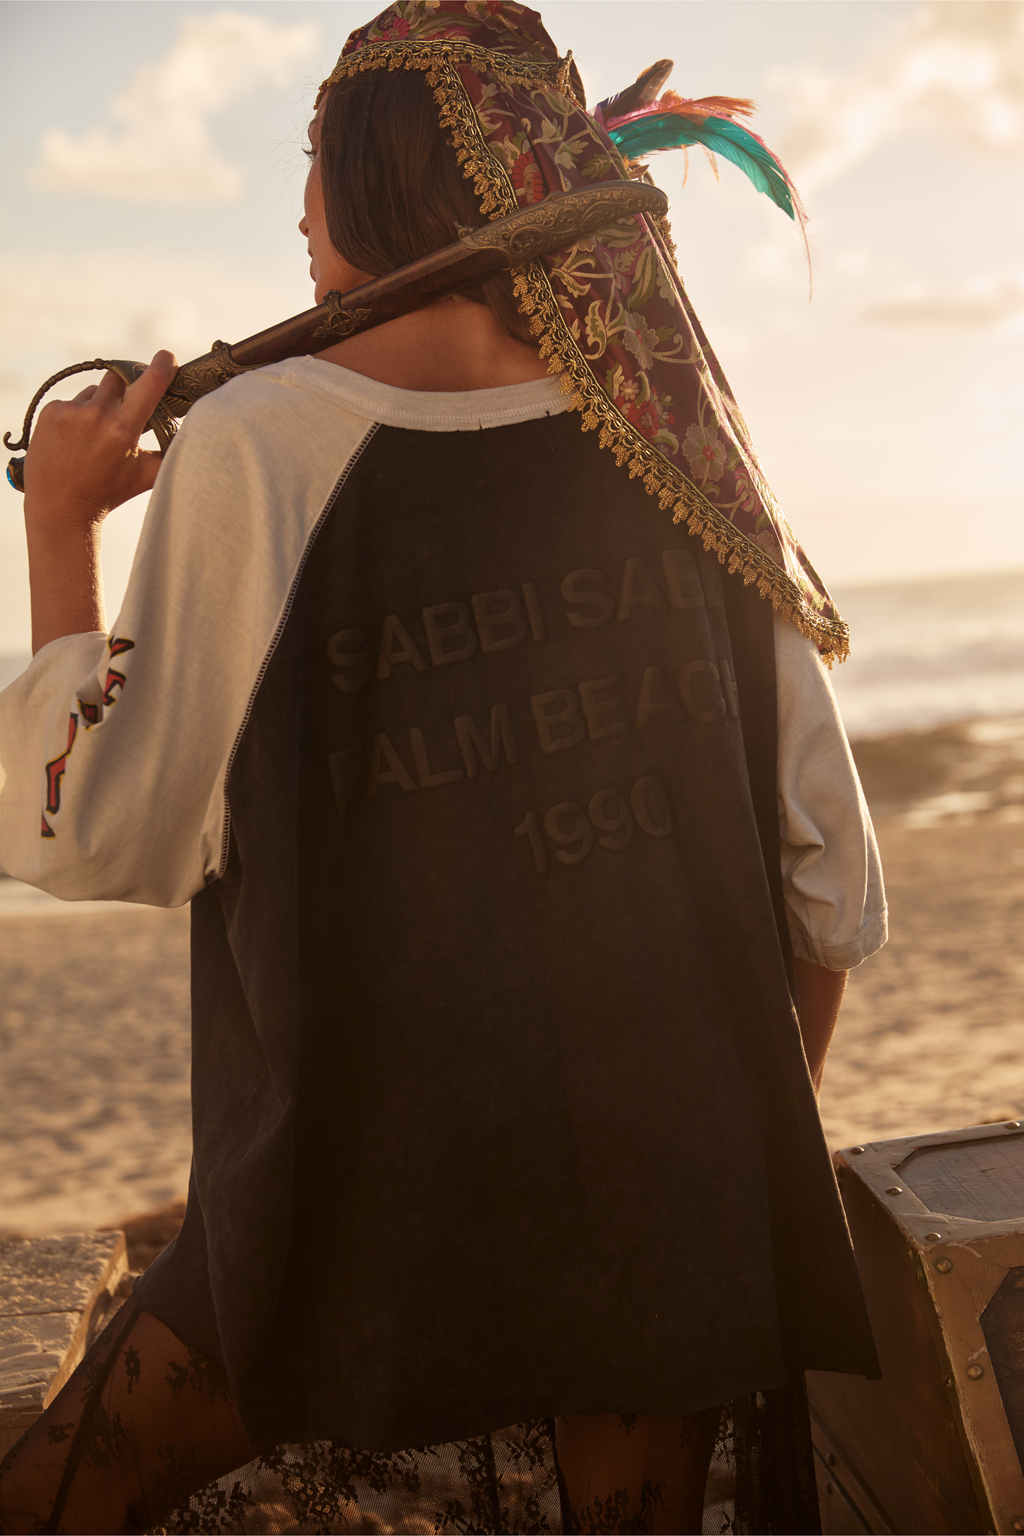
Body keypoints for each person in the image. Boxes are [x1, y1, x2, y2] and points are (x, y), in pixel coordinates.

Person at [0, 4, 887, 1532]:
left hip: (337, 1233)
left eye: (310, 211)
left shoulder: (258, 447)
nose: (303, 238)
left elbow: (96, 834)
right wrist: (714, 1186)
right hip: (663, 1221)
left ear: (374, 188)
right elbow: (832, 895)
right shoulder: (675, 433)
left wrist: (61, 526)